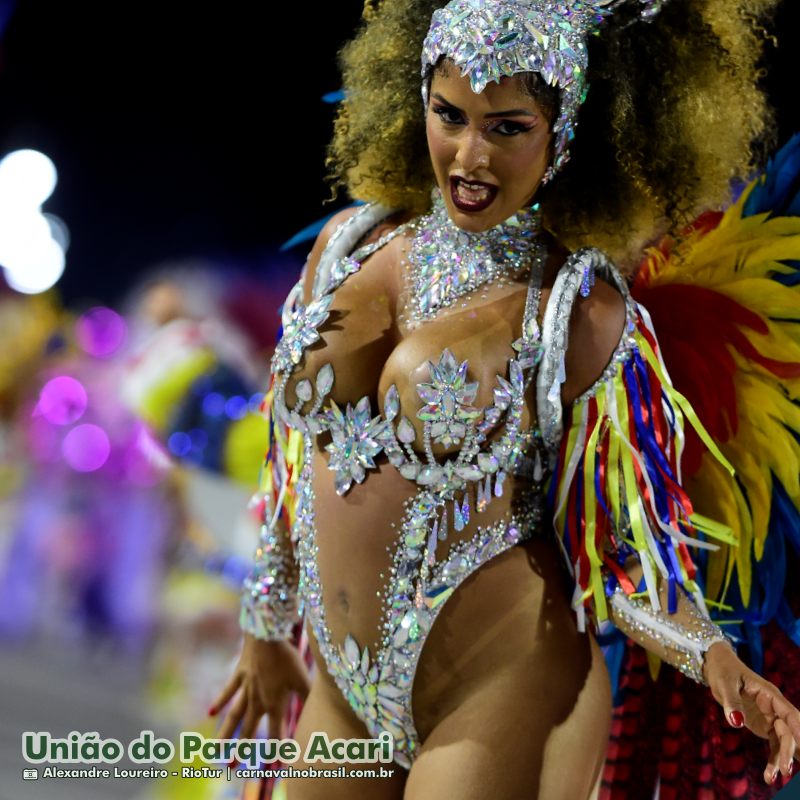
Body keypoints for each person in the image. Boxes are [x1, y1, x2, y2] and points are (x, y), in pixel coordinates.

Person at [210, 0, 800, 797]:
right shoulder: (349, 243)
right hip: (344, 695)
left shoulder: (578, 312)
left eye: (508, 126)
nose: (469, 155)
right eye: (449, 114)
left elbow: (624, 557)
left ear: (567, 134)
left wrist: (713, 657)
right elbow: (293, 454)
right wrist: (264, 620)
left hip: (504, 690)